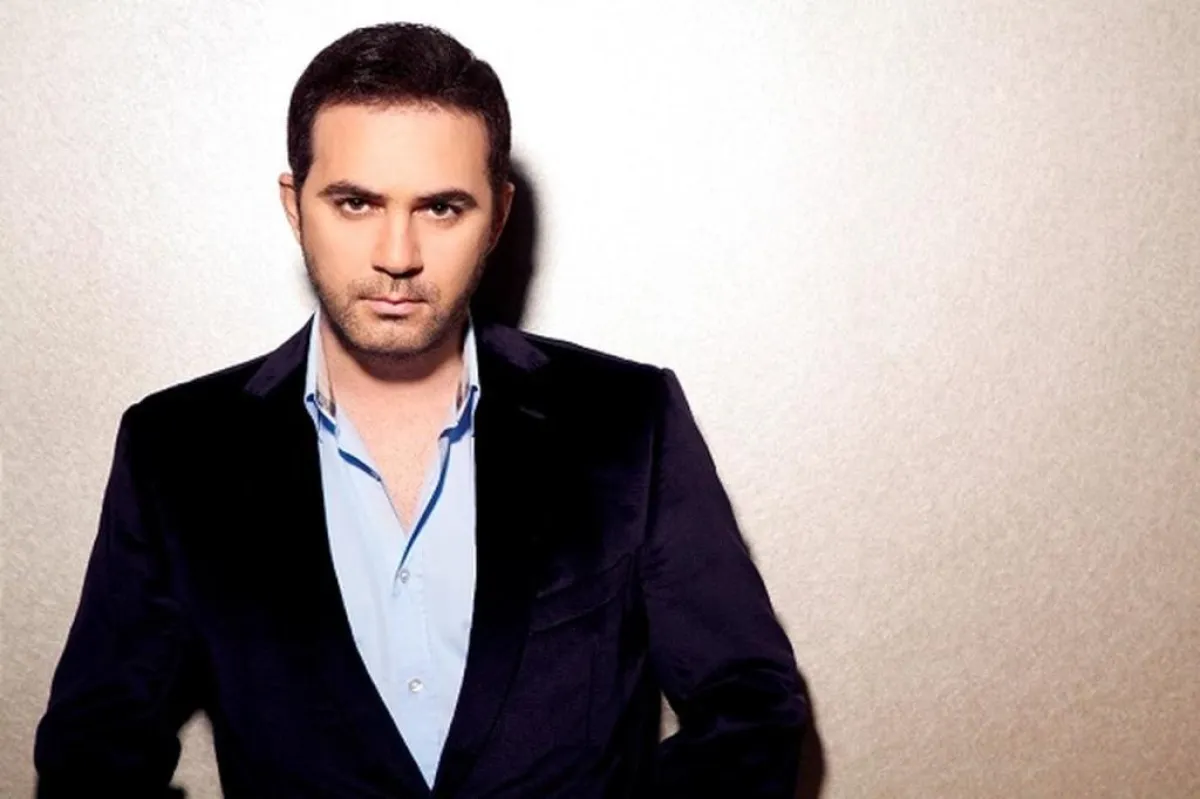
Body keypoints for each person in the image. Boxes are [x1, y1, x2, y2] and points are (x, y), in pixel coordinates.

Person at [34, 22, 807, 798]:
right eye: (355, 202)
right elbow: (91, 753)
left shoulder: (629, 420)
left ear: (497, 216)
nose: (397, 256)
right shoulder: (176, 452)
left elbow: (753, 713)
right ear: (295, 206)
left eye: (440, 208)